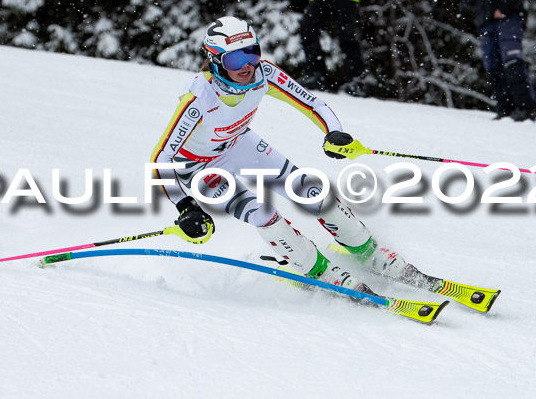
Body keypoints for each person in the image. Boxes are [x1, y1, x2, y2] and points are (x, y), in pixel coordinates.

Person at [151, 16, 424, 296]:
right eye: (234, 60)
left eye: (252, 53)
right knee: (263, 213)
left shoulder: (264, 74)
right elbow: (161, 158)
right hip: (199, 167)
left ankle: (371, 254)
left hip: (238, 144)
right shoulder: (198, 99)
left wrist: (333, 132)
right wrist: (185, 205)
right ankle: (317, 271)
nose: (246, 66)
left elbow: (312, 103)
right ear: (216, 60)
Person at [461, 0, 535, 121]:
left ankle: (524, 111)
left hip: (508, 18)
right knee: (492, 66)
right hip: (484, 21)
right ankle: (504, 110)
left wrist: (504, 7)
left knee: (512, 60)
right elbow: (465, 0)